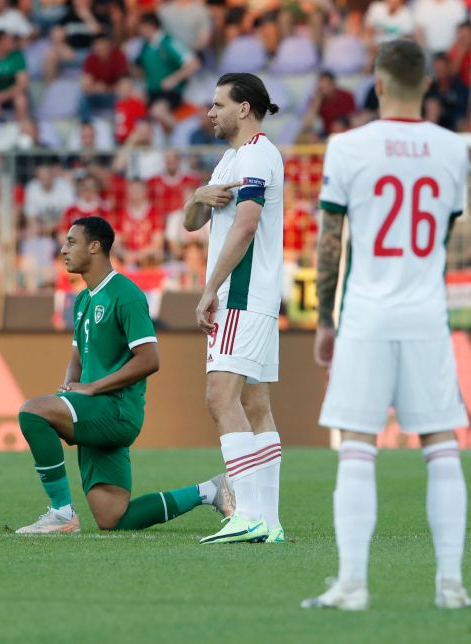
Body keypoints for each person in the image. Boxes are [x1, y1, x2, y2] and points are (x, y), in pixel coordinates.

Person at [303, 40, 471, 611]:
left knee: (357, 445)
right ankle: (450, 586)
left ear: (377, 83)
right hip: (427, 311)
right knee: (441, 444)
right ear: (427, 84)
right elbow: (446, 238)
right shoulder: (452, 149)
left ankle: (352, 584)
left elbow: (332, 244)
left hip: (367, 316)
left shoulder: (347, 146)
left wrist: (326, 319)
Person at [14, 216, 234, 534]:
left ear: (95, 246)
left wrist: (91, 389)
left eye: (71, 242)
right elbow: (77, 356)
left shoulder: (126, 294)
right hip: (94, 408)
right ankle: (210, 491)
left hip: (115, 409)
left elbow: (149, 359)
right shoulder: (82, 301)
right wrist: (68, 390)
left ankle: (61, 512)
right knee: (113, 518)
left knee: (32, 412)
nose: (63, 250)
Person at [184, 73, 284, 545]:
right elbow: (190, 223)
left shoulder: (258, 155)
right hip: (257, 299)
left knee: (219, 398)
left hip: (240, 297)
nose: (211, 112)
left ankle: (246, 513)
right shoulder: (231, 159)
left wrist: (210, 290)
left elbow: (245, 226)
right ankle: (270, 521)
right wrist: (197, 197)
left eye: (218, 104)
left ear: (243, 109)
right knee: (255, 405)